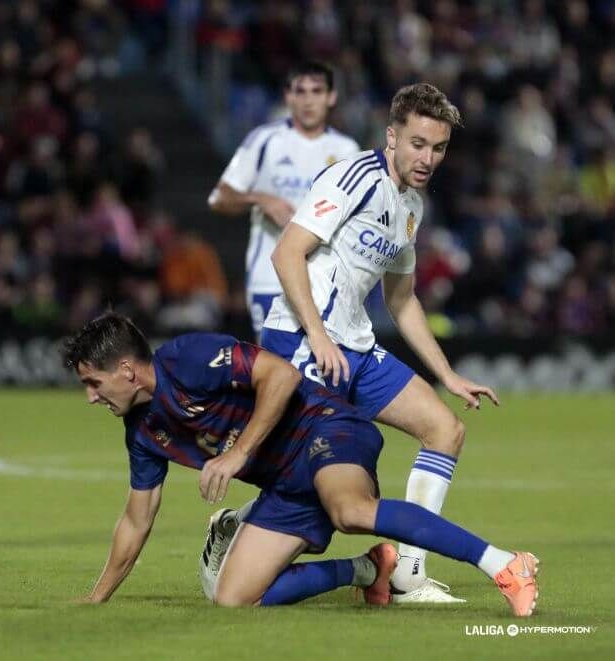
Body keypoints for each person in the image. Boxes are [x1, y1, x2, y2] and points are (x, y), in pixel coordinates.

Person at [202, 83, 500, 604]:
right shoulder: (354, 177)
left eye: (438, 148)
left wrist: (447, 374)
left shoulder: (412, 204)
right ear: (392, 136)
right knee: (321, 485)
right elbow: (287, 255)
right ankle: (240, 526)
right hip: (301, 341)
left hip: (354, 348)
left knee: (445, 430)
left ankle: (407, 574)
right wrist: (318, 336)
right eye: (417, 144)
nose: (427, 158)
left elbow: (402, 299)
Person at [63, 313, 539, 616]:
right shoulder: (142, 433)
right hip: (286, 487)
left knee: (351, 511)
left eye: (93, 382)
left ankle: (504, 564)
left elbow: (282, 374)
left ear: (126, 371)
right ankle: (369, 571)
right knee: (233, 599)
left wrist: (238, 453)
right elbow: (136, 519)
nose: (90, 398)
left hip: (324, 428)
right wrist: (97, 597)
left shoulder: (187, 357)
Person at [208, 62, 359, 340]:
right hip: (270, 280)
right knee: (277, 374)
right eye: (300, 92)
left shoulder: (347, 151)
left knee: (321, 376)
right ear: (288, 97)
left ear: (331, 97)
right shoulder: (264, 140)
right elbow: (219, 198)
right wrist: (259, 198)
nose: (308, 100)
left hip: (324, 284)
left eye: (317, 91)